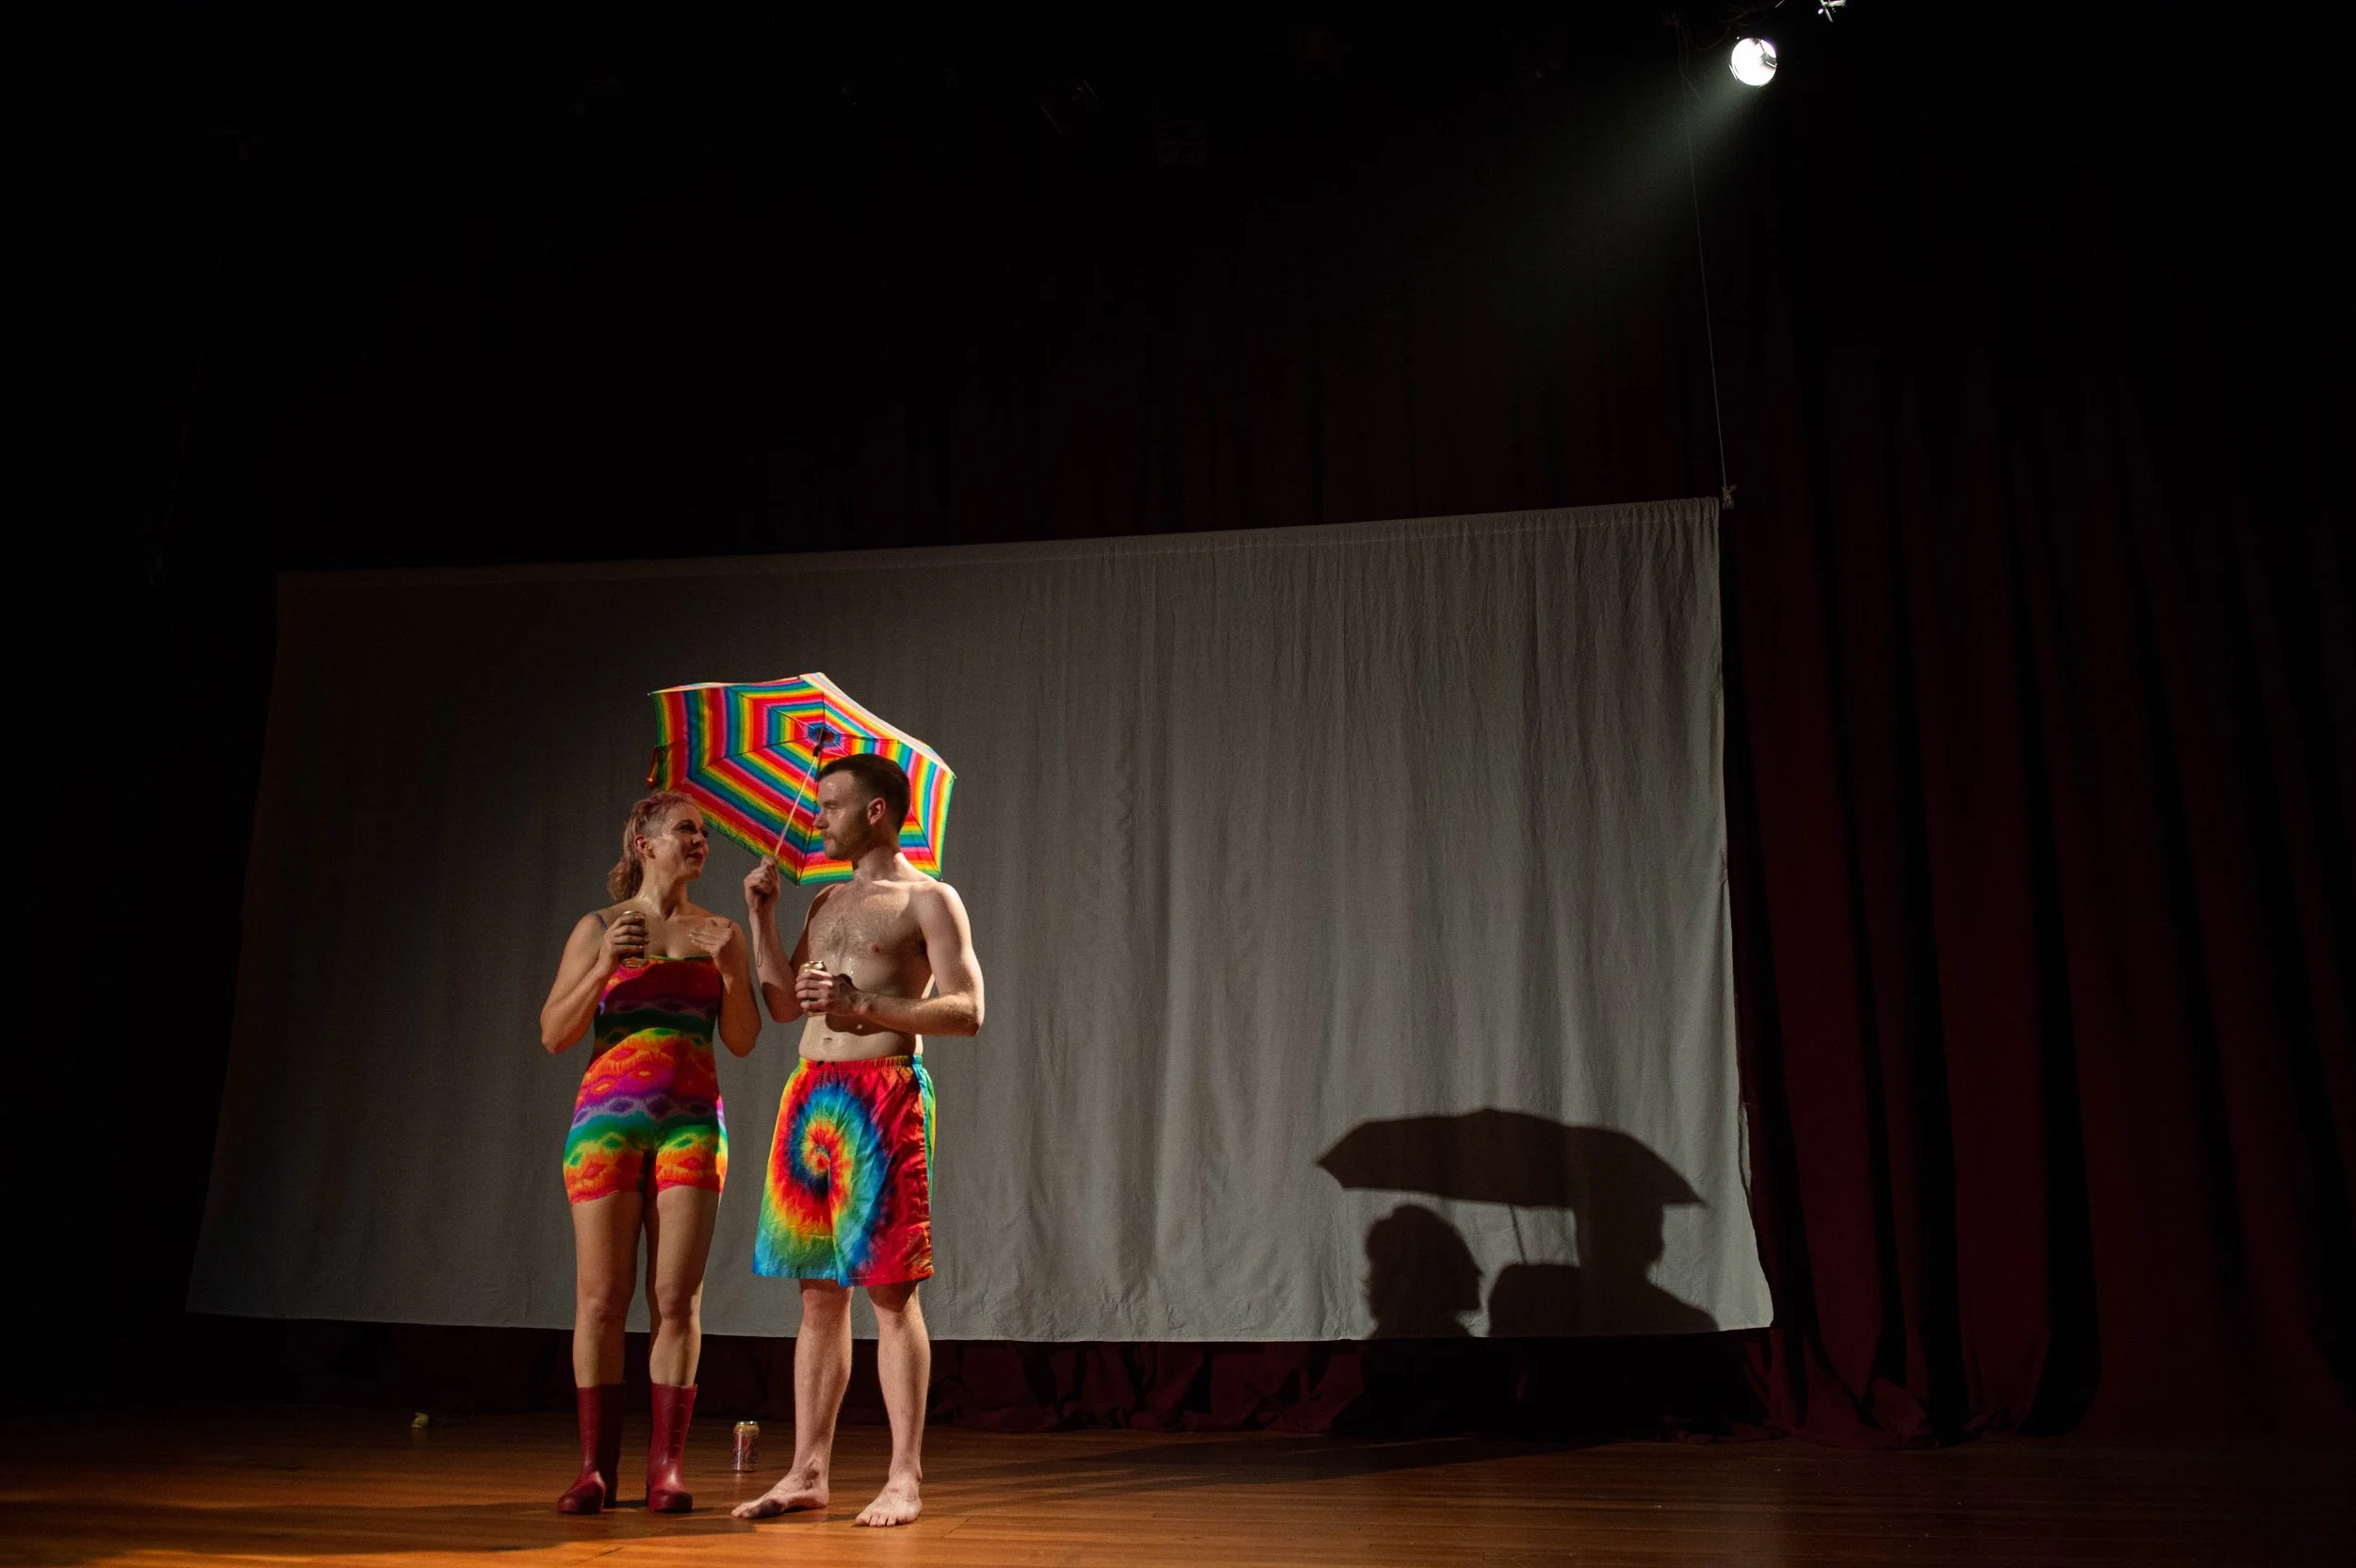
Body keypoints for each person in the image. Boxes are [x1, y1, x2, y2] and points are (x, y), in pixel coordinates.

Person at [733, 753, 985, 1528]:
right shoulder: (827, 899)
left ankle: (904, 1477)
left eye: (832, 806)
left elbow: (967, 1009)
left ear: (875, 811)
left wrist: (865, 1004)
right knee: (816, 1295)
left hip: (883, 1098)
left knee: (888, 1290)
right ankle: (808, 1470)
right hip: (812, 1094)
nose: (818, 819)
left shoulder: (929, 900)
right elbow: (781, 1006)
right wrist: (763, 918)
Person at [538, 791, 760, 1514]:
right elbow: (555, 1033)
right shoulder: (599, 927)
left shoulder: (719, 931)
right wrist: (604, 964)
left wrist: (732, 968)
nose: (700, 842)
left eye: (704, 834)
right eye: (686, 832)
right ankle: (593, 1469)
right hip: (606, 1125)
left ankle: (665, 1468)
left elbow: (744, 1038)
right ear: (644, 841)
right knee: (601, 1299)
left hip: (692, 1124)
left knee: (677, 1299)